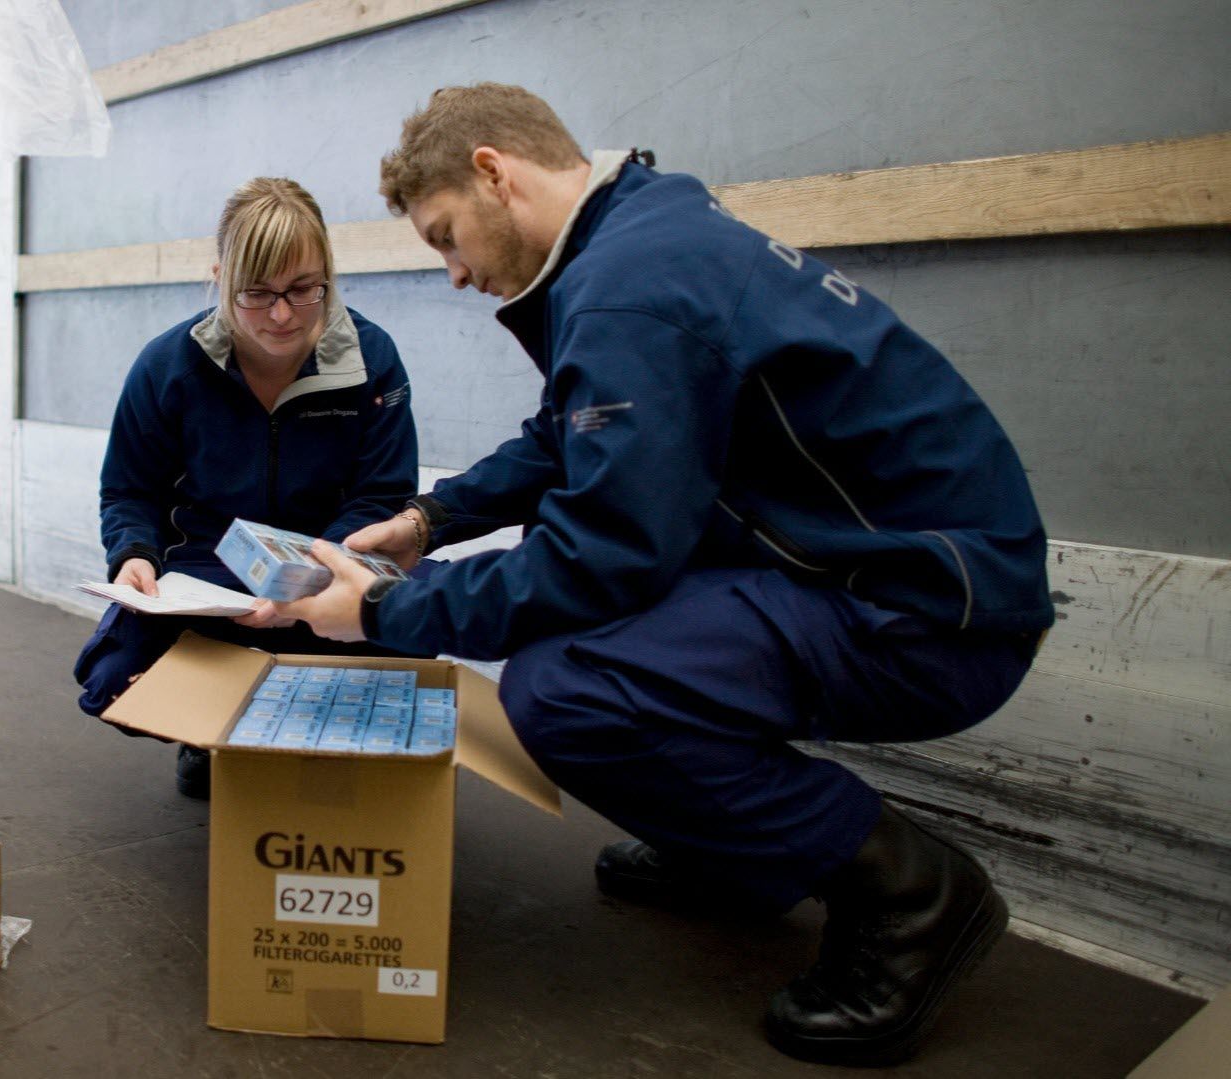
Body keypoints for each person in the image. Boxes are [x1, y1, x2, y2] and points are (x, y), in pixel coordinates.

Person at [276, 84, 1051, 1067]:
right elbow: (571, 432)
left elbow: (602, 553)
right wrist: (434, 519)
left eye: (445, 237)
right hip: (892, 570)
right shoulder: (644, 229)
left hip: (927, 614)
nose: (456, 273)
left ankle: (914, 890)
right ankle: (733, 850)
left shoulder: (629, 286)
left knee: (567, 689)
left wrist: (389, 609)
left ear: (493, 173)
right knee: (599, 647)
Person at [74, 176, 422, 799]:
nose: (282, 315)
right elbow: (129, 490)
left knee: (419, 631)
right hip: (209, 577)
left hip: (331, 567)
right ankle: (209, 735)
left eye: (303, 289)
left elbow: (382, 496)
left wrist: (311, 574)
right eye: (256, 293)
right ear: (220, 278)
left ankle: (298, 734)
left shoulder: (371, 358)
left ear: (329, 276)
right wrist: (133, 554)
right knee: (114, 680)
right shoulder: (167, 366)